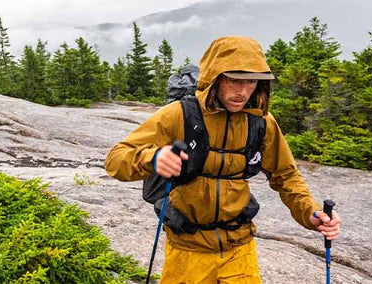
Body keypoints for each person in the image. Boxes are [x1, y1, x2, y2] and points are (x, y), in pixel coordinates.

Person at [104, 36, 342, 283]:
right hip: (187, 250)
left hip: (239, 248)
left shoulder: (261, 122)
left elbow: (285, 175)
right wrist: (152, 158)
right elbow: (116, 159)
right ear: (215, 78)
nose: (242, 91)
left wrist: (311, 212)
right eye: (233, 80)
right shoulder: (180, 114)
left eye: (250, 81)